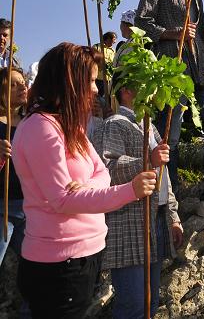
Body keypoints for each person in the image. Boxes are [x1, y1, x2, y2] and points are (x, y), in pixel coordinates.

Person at [12, 43, 156, 318]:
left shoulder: (69, 126)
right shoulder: (41, 128)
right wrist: (130, 191)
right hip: (58, 263)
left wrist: (86, 186)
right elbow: (61, 199)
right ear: (68, 82)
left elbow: (101, 171)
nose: (95, 89)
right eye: (89, 80)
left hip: (80, 258)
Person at [135, 0, 204, 217]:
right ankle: (167, 200)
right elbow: (141, 22)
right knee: (168, 135)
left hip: (200, 72)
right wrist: (173, 32)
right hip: (171, 69)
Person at [96, 76, 182, 319]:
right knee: (133, 305)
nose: (152, 90)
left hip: (155, 219)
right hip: (128, 225)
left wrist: (173, 216)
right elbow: (107, 169)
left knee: (150, 303)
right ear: (125, 90)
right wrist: (146, 161)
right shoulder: (115, 123)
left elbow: (164, 178)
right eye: (145, 84)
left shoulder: (150, 126)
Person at [0, 67, 28, 273]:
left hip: (29, 208)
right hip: (2, 208)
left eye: (22, 82)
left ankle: (31, 306)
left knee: (34, 267)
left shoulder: (32, 122)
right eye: (12, 84)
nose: (21, 87)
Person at [93, 31, 117, 97]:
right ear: (108, 39)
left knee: (105, 99)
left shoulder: (113, 51)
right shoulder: (97, 47)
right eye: (114, 39)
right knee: (95, 98)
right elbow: (91, 59)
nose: (114, 42)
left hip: (108, 80)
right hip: (97, 78)